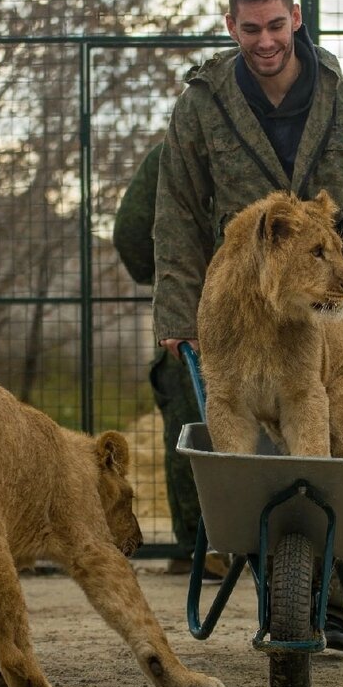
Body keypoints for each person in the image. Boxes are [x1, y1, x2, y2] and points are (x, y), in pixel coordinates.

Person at [152, 0, 343, 650]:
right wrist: (177, 320)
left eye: (275, 25)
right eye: (250, 29)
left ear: (295, 19)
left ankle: (322, 602)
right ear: (231, 26)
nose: (265, 41)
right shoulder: (202, 106)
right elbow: (178, 215)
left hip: (318, 302)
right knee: (243, 453)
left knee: (323, 444)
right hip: (242, 302)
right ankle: (280, 588)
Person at [113, 145, 228, 580]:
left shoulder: (176, 147)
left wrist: (169, 274)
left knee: (192, 419)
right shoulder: (279, 136)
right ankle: (225, 545)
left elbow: (129, 230)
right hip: (212, 307)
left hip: (192, 302)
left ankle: (200, 545)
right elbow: (131, 232)